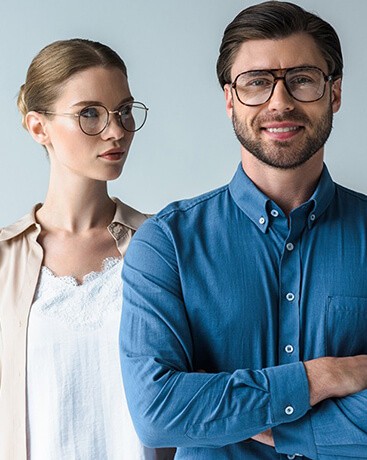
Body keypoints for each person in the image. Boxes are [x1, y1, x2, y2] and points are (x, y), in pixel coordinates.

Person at [120, 2, 367, 459]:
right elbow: (157, 412)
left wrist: (284, 429)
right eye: (257, 83)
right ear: (230, 99)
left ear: (334, 93)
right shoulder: (167, 244)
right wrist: (324, 376)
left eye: (302, 79)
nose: (280, 102)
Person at [0, 38, 175, 460]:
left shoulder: (165, 245)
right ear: (38, 127)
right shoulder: (4, 260)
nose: (116, 131)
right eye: (90, 114)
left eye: (124, 112)